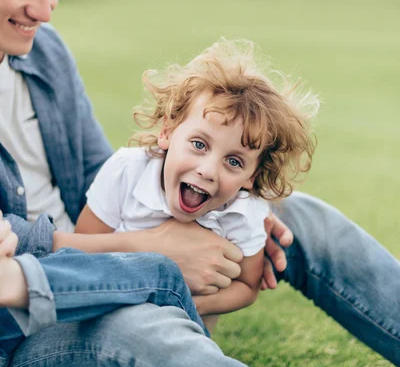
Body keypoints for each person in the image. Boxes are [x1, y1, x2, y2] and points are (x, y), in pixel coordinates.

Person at [0, 0, 399, 367]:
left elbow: (97, 175)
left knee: (290, 215)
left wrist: (214, 217)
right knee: (144, 336)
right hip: (33, 338)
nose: (44, 8)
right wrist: (149, 250)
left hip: (104, 263)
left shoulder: (44, 52)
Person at [71, 38, 319, 329]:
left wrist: (182, 303)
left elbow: (247, 286)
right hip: (110, 312)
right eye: (199, 144)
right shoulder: (126, 171)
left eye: (234, 161)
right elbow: (80, 252)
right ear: (168, 131)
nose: (208, 170)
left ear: (251, 176)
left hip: (185, 326)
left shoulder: (244, 212)